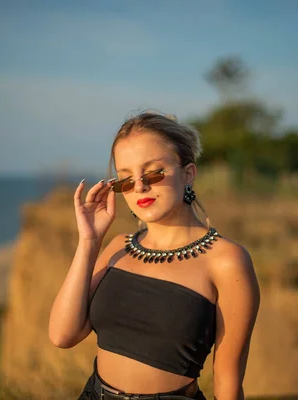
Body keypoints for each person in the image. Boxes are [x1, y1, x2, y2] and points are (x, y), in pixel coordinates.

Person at [48, 111, 260, 400]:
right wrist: (89, 241)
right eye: (125, 180)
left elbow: (228, 381)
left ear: (188, 173)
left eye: (153, 172)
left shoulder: (227, 260)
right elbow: (63, 335)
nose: (140, 186)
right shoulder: (117, 249)